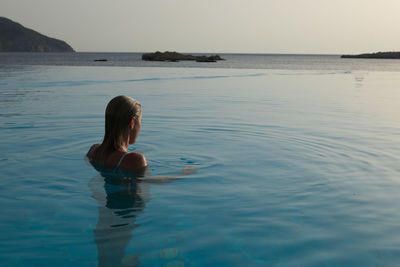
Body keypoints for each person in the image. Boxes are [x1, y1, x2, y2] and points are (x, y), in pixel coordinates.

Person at [87, 95, 147, 171]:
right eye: (140, 121)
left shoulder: (93, 151)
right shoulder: (135, 160)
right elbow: (147, 181)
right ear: (132, 123)